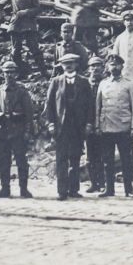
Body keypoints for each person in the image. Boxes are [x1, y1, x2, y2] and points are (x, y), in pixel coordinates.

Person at [44, 53, 95, 199]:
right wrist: (51, 123)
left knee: (75, 158)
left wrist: (89, 123)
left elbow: (90, 106)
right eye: (65, 63)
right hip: (61, 127)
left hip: (77, 127)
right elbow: (50, 105)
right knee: (61, 159)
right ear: (61, 65)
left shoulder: (84, 82)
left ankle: (73, 189)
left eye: (71, 63)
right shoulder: (55, 82)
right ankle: (62, 191)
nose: (68, 66)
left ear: (76, 65)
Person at [95, 54, 133, 197]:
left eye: (117, 65)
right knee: (107, 161)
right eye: (111, 65)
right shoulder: (103, 84)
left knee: (126, 160)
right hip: (107, 127)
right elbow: (98, 106)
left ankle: (128, 189)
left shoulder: (129, 84)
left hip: (124, 127)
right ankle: (109, 189)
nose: (114, 67)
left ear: (122, 66)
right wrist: (97, 125)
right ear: (107, 67)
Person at [0, 60, 34, 198]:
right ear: (3, 74)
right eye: (7, 72)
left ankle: (23, 189)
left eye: (12, 72)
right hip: (2, 131)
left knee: (21, 161)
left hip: (18, 130)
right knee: (3, 161)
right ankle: (5, 188)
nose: (9, 75)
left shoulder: (22, 92)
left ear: (16, 73)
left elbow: (29, 113)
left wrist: (27, 130)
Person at [83, 54, 109, 193]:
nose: (95, 68)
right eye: (92, 66)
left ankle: (103, 183)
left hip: (103, 123)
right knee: (90, 156)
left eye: (98, 65)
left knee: (103, 155)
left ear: (102, 68)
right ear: (89, 68)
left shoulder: (107, 83)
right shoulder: (84, 83)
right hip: (88, 123)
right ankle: (94, 183)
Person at [8, 0, 41, 71]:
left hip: (29, 24)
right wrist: (3, 16)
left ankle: (43, 71)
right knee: (16, 50)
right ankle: (20, 71)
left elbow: (38, 9)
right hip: (16, 24)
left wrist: (26, 12)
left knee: (34, 49)